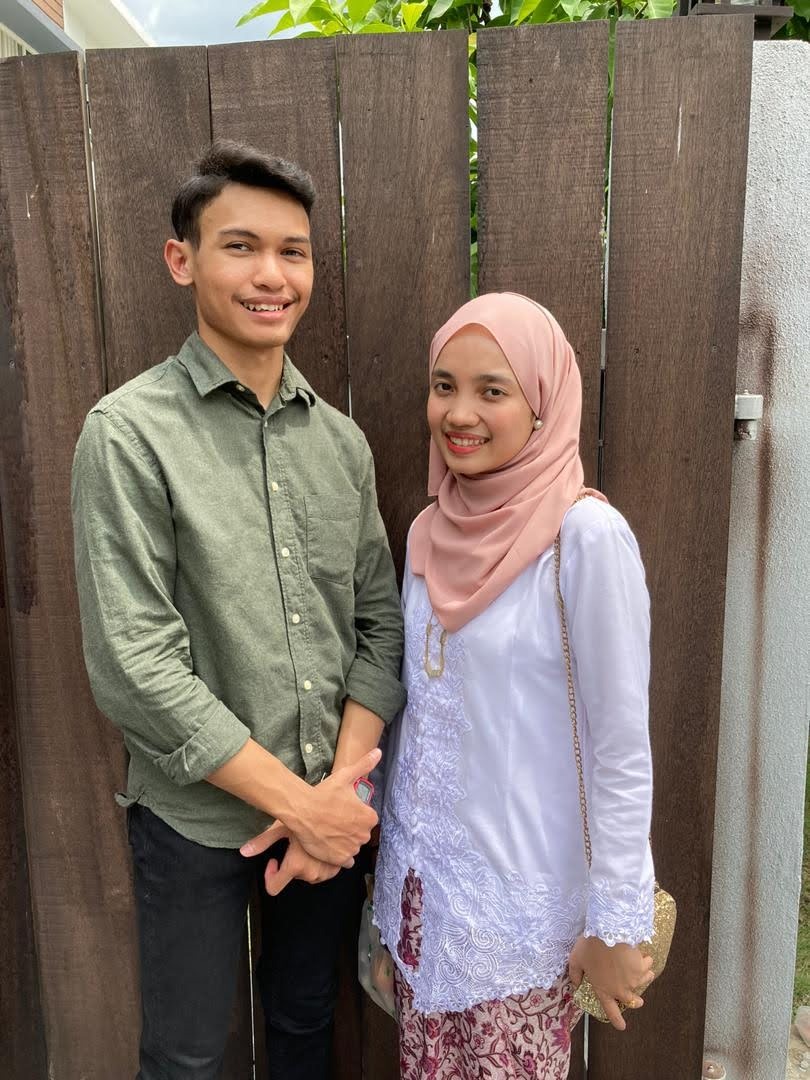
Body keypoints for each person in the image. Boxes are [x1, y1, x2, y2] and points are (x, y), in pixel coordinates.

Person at [71, 139, 405, 1080]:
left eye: (293, 251)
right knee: (183, 1057)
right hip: (194, 820)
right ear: (182, 260)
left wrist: (335, 799)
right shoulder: (129, 434)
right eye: (241, 246)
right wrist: (302, 808)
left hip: (328, 802)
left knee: (306, 1030)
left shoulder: (341, 445)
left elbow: (379, 625)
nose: (272, 275)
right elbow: (134, 665)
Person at [372, 293, 656, 1079]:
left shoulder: (584, 539)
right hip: (425, 918)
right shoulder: (427, 534)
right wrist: (388, 905)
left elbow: (621, 748)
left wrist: (614, 925)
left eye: (491, 390)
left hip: (520, 935)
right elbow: (418, 726)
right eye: (444, 386)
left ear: (541, 405)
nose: (459, 413)